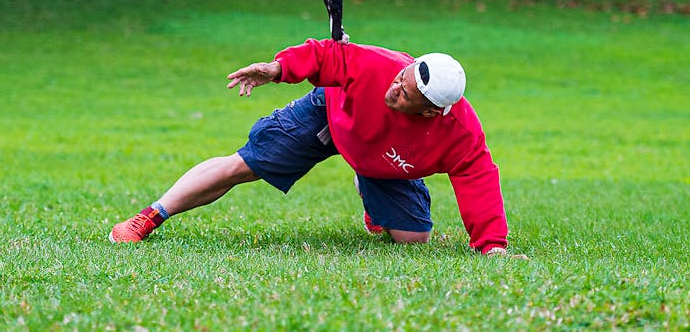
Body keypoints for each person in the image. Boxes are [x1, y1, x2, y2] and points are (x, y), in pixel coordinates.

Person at [109, 38, 526, 257]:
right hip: (329, 117)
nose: (395, 87)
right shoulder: (377, 64)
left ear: (433, 112)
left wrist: (492, 247)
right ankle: (148, 218)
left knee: (413, 240)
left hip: (384, 160)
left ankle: (373, 198)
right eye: (401, 78)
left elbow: (479, 180)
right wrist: (277, 69)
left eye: (406, 94)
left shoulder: (460, 134)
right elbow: (325, 55)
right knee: (245, 164)